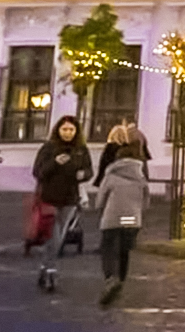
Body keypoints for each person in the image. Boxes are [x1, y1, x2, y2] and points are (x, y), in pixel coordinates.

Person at [32, 115, 92, 292]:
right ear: (58, 130)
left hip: (70, 198)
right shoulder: (49, 148)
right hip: (49, 197)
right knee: (53, 235)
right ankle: (51, 271)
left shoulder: (81, 149)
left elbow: (89, 170)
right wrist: (54, 163)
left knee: (60, 233)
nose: (68, 133)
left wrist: (84, 175)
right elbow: (38, 172)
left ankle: (44, 268)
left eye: (71, 130)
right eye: (64, 129)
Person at [93, 129, 149, 307]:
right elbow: (146, 201)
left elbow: (100, 199)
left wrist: (100, 208)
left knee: (108, 248)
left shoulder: (111, 175)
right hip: (131, 219)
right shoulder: (140, 177)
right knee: (124, 250)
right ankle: (122, 281)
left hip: (112, 218)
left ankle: (111, 277)